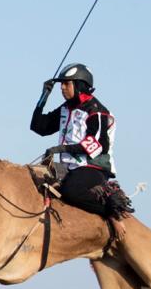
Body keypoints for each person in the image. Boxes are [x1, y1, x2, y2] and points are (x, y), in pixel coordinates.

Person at [30, 63, 132, 235]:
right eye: (61, 84)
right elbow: (39, 127)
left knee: (71, 191)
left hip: (93, 168)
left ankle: (111, 212)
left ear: (79, 85)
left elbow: (97, 145)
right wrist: (43, 97)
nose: (62, 88)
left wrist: (60, 148)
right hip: (69, 167)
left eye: (66, 83)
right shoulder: (66, 108)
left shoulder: (96, 111)